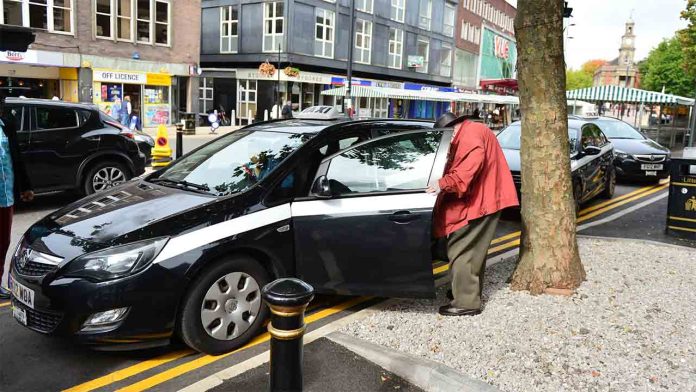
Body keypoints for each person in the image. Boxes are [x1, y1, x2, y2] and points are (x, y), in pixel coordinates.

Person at [427, 112, 518, 317]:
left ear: (451, 130)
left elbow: (465, 173)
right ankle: (464, 291)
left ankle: (465, 302)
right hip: (486, 198)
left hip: (482, 201)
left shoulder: (469, 136)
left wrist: (441, 184)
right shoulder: (472, 131)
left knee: (462, 250)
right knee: (472, 251)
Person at [0, 97, 34, 299]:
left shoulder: (6, 126)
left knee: (3, 242)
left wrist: (26, 186)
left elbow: (16, 157)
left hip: (5, 197)